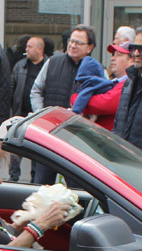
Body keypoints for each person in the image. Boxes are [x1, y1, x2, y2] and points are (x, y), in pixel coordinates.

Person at [30, 24, 96, 183]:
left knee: (77, 189)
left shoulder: (95, 70)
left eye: (79, 43)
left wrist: (87, 120)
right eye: (71, 41)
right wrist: (41, 115)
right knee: (41, 185)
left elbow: (100, 104)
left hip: (78, 140)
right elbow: (36, 91)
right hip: (49, 135)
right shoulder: (53, 62)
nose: (73, 45)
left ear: (90, 47)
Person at [9, 36, 47, 181]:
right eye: (27, 46)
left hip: (38, 118)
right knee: (15, 148)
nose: (27, 50)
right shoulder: (20, 66)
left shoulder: (47, 66)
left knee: (35, 149)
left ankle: (34, 179)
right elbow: (12, 86)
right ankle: (13, 178)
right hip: (20, 113)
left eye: (30, 47)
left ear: (40, 49)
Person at [72, 42, 133, 131]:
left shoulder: (129, 84)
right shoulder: (115, 82)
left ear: (132, 61)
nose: (112, 58)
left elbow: (100, 105)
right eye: (113, 55)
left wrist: (75, 97)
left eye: (119, 55)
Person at [113, 28, 142, 149]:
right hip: (122, 160)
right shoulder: (129, 82)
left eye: (141, 49)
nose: (136, 53)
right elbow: (118, 127)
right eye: (133, 48)